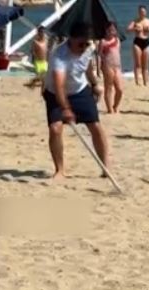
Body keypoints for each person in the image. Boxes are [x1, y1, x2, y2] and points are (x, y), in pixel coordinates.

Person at [42, 22, 111, 179]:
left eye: (87, 43)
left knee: (96, 126)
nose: (84, 47)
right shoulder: (59, 56)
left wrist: (94, 84)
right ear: (71, 39)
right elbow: (59, 86)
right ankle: (60, 170)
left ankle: (105, 167)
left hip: (80, 90)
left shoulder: (88, 48)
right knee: (55, 129)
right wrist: (66, 109)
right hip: (55, 93)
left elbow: (87, 67)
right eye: (81, 44)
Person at [97, 22, 124, 113]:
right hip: (107, 66)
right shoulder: (103, 41)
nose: (111, 31)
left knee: (120, 89)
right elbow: (99, 55)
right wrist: (98, 68)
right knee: (109, 87)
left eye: (113, 29)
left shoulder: (117, 40)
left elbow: (118, 53)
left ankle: (115, 106)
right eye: (109, 30)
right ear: (106, 30)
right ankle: (110, 109)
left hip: (117, 67)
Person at [127, 5, 149, 86]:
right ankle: (137, 82)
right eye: (140, 12)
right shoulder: (135, 21)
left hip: (146, 42)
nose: (142, 13)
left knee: (145, 64)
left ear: (145, 12)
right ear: (138, 12)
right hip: (137, 41)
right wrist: (135, 29)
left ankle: (145, 81)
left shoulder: (148, 21)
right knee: (138, 64)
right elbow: (128, 29)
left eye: (143, 12)